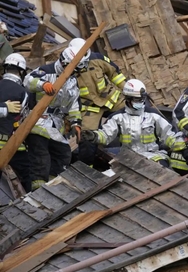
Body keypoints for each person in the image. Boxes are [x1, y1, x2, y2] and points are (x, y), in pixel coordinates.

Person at [80, 79, 188, 172]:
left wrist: (185, 144)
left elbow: (170, 136)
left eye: (142, 99)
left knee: (162, 174)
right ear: (127, 99)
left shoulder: (153, 115)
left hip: (154, 156)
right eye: (137, 100)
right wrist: (94, 136)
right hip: (128, 158)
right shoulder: (118, 117)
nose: (140, 102)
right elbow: (106, 135)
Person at [24, 46, 83, 191]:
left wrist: (76, 123)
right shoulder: (45, 71)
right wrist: (42, 84)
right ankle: (37, 190)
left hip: (56, 124)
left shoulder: (72, 81)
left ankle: (54, 186)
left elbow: (74, 103)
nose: (74, 73)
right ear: (64, 63)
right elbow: (27, 80)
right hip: (37, 122)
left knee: (63, 154)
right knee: (40, 157)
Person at [68, 38, 128, 166]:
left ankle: (130, 155)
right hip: (89, 107)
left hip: (112, 99)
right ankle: (87, 167)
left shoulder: (97, 59)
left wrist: (129, 90)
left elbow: (115, 74)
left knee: (133, 116)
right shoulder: (66, 69)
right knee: (86, 137)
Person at [0, 53, 32, 192]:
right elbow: (24, 118)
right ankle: (32, 202)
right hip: (12, 144)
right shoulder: (23, 93)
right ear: (21, 72)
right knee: (27, 174)